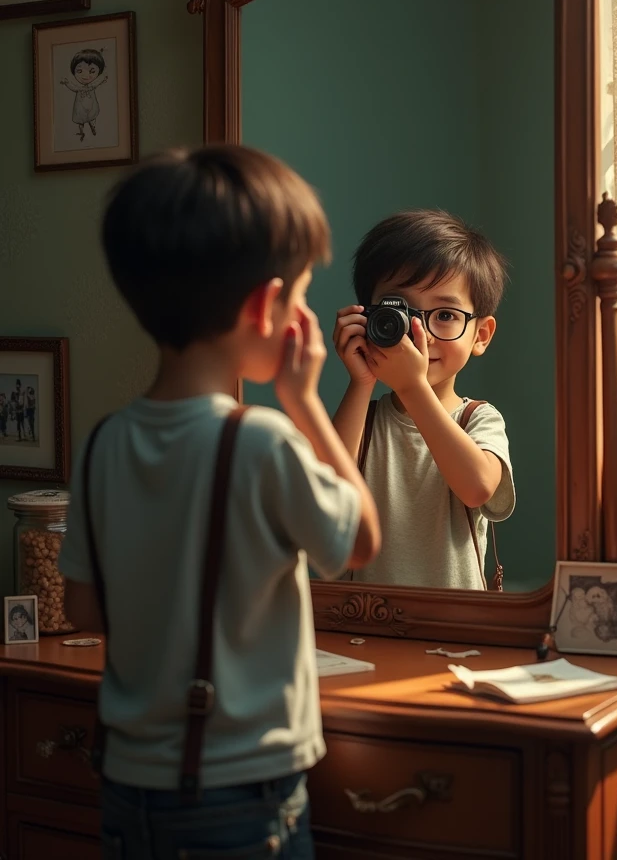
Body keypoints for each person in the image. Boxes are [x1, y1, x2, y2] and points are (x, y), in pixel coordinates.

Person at [58, 145, 379, 859]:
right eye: (297, 295)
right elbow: (360, 541)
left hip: (127, 786)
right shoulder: (262, 442)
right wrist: (303, 402)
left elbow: (82, 609)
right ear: (266, 307)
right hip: (240, 798)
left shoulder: (104, 441)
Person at [332, 208, 514, 590]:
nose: (421, 334)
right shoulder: (362, 419)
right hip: (363, 619)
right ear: (369, 318)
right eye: (399, 311)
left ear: (480, 334)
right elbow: (325, 495)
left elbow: (477, 488)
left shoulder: (478, 419)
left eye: (445, 314)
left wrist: (412, 387)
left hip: (455, 625)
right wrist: (362, 380)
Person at [59, 48, 108, 142]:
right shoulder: (79, 88)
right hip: (80, 108)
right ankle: (82, 132)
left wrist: (103, 79)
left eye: (92, 71)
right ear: (74, 71)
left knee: (92, 117)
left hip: (91, 106)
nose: (85, 76)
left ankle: (92, 127)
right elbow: (73, 87)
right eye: (80, 71)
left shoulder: (91, 86)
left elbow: (97, 83)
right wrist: (66, 83)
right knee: (80, 121)